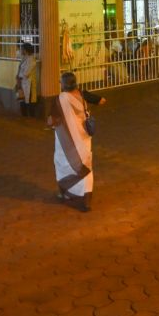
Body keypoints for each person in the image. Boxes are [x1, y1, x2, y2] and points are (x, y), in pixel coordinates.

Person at [49, 71, 104, 212]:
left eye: (60, 81)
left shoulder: (60, 99)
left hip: (65, 140)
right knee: (84, 166)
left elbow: (51, 121)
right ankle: (87, 202)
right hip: (83, 138)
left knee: (63, 164)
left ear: (64, 84)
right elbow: (102, 101)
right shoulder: (82, 94)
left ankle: (64, 193)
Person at [15, 42, 38, 117]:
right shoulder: (25, 58)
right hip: (23, 83)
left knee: (29, 101)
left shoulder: (31, 60)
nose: (20, 50)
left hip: (29, 84)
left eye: (22, 49)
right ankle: (24, 116)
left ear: (25, 50)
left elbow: (26, 73)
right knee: (22, 99)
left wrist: (19, 76)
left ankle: (30, 117)